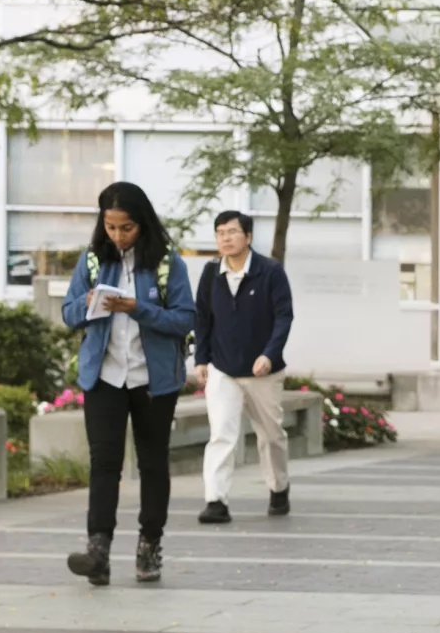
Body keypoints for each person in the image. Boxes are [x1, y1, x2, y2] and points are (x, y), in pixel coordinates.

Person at [59, 182, 197, 587]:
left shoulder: (169, 263)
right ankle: (97, 550)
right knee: (104, 464)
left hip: (153, 380)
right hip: (104, 376)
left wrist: (139, 308)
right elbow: (68, 314)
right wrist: (86, 305)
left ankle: (149, 546)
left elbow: (184, 318)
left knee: (153, 464)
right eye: (111, 226)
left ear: (143, 224)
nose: (118, 236)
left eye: (126, 228)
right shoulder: (91, 261)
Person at [192, 210, 297, 523]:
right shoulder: (211, 273)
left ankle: (279, 488)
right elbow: (202, 318)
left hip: (262, 370)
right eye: (220, 232)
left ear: (248, 237)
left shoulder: (270, 272)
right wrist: (201, 358)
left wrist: (269, 354)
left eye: (232, 232)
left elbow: (284, 316)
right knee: (221, 434)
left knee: (271, 435)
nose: (225, 238)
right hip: (222, 368)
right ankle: (216, 501)